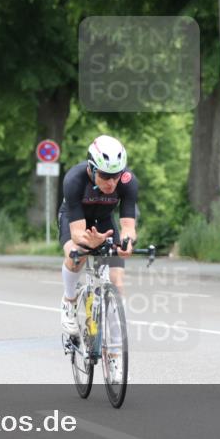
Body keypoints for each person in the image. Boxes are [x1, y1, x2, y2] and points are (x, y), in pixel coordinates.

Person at [58, 135, 139, 338]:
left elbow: (128, 226)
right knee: (77, 254)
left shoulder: (128, 181)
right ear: (91, 169)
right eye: (104, 175)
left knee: (117, 281)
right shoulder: (74, 180)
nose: (111, 182)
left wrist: (127, 242)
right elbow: (77, 233)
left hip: (104, 220)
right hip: (75, 219)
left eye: (116, 175)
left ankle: (116, 356)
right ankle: (69, 301)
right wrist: (87, 243)